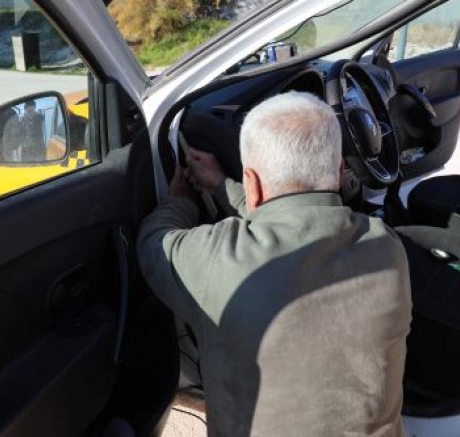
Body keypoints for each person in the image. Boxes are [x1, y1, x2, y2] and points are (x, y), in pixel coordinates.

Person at [137, 91, 411, 436]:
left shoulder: (215, 259)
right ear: (340, 169)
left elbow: (153, 243)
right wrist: (223, 186)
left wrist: (182, 201)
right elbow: (292, 219)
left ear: (251, 183)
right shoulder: (386, 247)